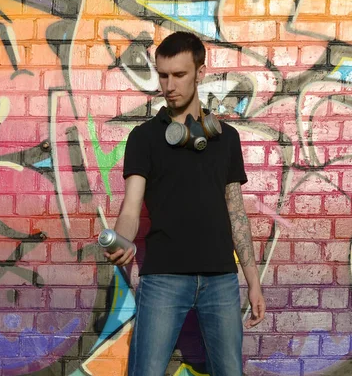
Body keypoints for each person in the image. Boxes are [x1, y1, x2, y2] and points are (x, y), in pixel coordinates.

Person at [105, 31, 265, 376]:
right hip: (163, 279)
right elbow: (131, 208)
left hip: (220, 279)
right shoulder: (144, 138)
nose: (169, 85)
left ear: (200, 73)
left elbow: (236, 214)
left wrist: (252, 281)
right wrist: (122, 239)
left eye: (179, 75)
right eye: (163, 75)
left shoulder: (225, 138)